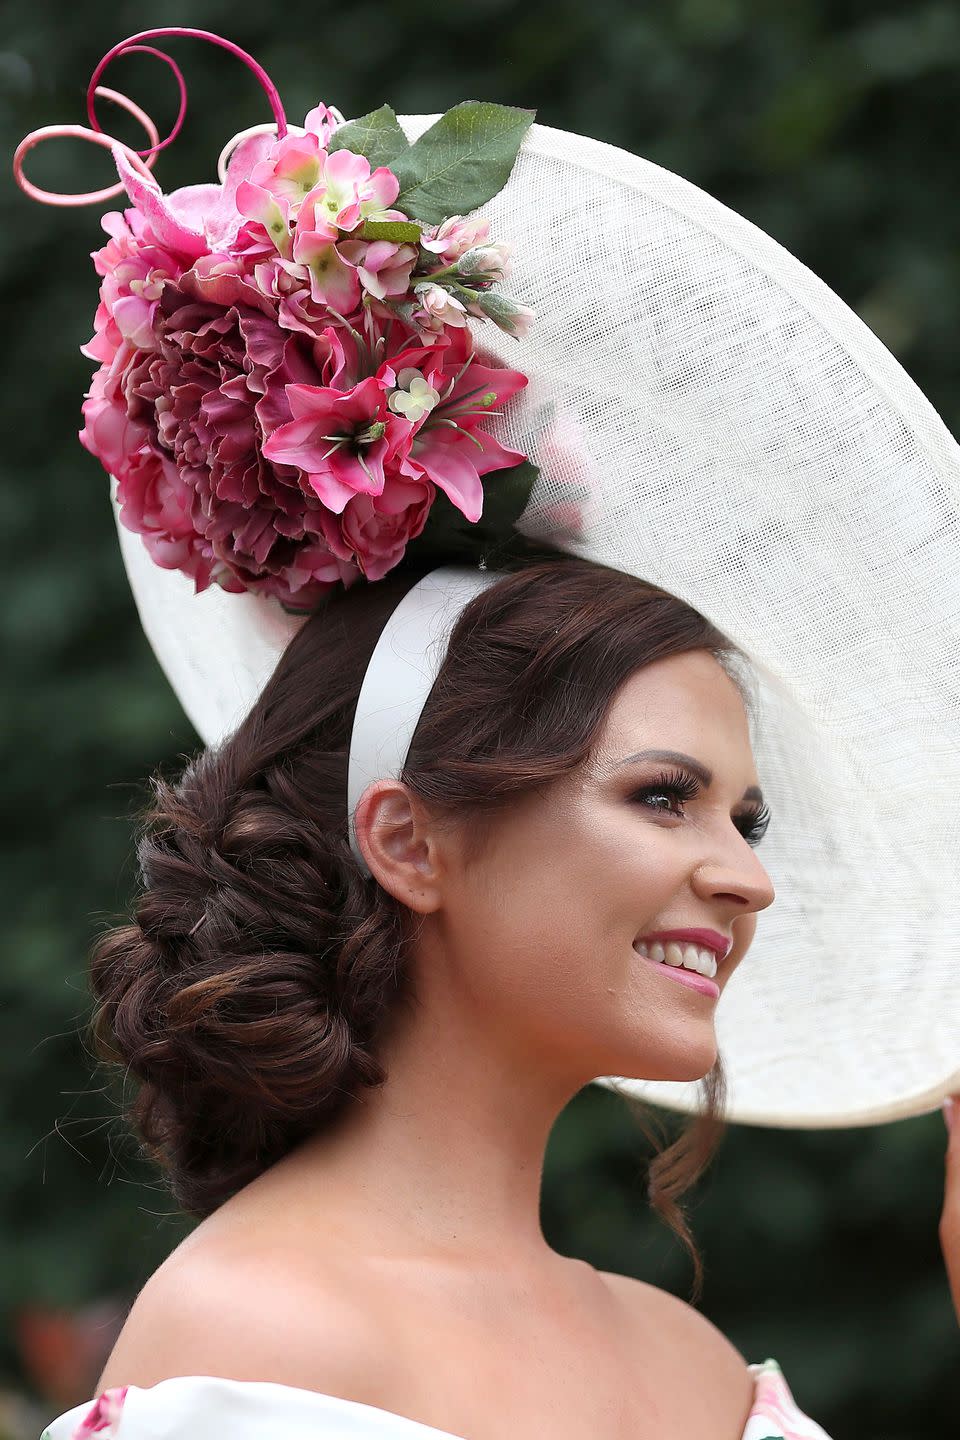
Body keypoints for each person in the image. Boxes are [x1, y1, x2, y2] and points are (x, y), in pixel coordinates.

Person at [15, 26, 960, 1440]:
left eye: (745, 819)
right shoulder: (263, 1340)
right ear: (411, 836)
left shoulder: (696, 1360)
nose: (749, 877)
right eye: (664, 796)